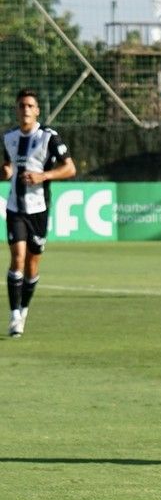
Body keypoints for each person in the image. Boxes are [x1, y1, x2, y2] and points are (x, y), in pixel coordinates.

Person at [2, 88, 76, 338]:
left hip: (38, 210)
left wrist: (43, 176)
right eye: (21, 105)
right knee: (18, 257)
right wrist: (5, 172)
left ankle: (23, 309)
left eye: (30, 106)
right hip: (15, 209)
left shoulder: (48, 138)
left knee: (33, 265)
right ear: (17, 109)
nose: (25, 110)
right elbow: (6, 167)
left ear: (37, 111)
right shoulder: (9, 138)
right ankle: (14, 316)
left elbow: (70, 168)